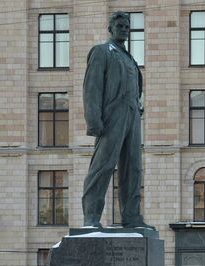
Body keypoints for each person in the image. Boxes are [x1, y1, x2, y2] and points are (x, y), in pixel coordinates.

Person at [82, 11, 148, 229]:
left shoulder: (129, 58)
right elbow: (91, 88)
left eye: (127, 26)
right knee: (103, 165)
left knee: (133, 167)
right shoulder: (102, 52)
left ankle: (131, 215)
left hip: (132, 115)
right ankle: (91, 217)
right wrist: (94, 122)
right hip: (112, 115)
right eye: (119, 25)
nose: (124, 29)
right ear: (110, 28)